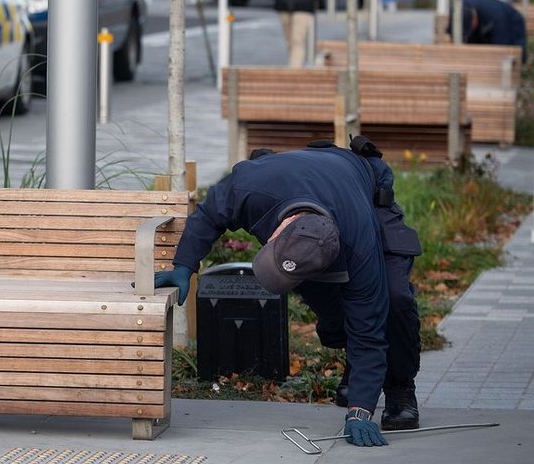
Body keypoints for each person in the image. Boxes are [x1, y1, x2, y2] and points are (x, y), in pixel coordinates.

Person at [155, 138, 423, 448]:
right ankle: (357, 369)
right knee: (331, 311)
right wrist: (184, 265)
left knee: (394, 298)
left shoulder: (361, 247)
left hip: (366, 191)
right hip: (300, 179)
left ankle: (399, 386)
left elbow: (369, 331)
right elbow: (208, 213)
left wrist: (360, 412)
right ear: (279, 230)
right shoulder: (251, 188)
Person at [460, 0, 528, 63]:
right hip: (487, 23)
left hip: (512, 23)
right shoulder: (459, 8)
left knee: (510, 59)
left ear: (475, 20)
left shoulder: (499, 18)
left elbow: (501, 49)